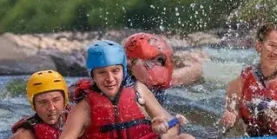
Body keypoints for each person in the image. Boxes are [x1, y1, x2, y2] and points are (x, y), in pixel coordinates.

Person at [48, 41, 199, 139]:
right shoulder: (83, 108)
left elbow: (171, 125)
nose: (110, 78)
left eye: (115, 71)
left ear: (123, 70)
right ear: (92, 75)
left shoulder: (138, 90)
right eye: (101, 73)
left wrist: (161, 129)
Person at [69, 33, 207, 105]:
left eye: (158, 61)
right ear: (130, 64)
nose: (155, 68)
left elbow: (194, 71)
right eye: (149, 63)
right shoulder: (118, 81)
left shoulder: (164, 79)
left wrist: (195, 63)